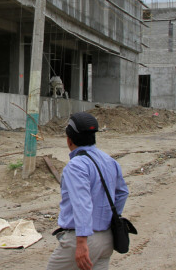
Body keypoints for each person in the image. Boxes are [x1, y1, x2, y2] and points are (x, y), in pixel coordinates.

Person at [47, 112, 129, 270]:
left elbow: (82, 204)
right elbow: (122, 193)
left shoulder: (76, 166)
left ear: (69, 140)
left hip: (83, 240)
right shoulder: (109, 161)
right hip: (107, 238)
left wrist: (82, 243)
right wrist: (110, 219)